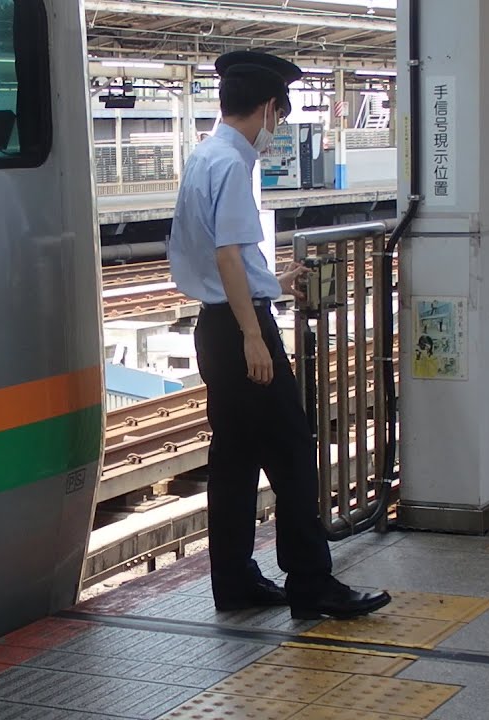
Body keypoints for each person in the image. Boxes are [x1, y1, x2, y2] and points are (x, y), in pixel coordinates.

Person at [168, 51, 391, 620]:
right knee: (293, 451)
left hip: (213, 328)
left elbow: (232, 256)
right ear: (268, 108)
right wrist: (254, 333)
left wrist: (272, 280)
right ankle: (311, 584)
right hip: (239, 329)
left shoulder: (204, 155)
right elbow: (225, 258)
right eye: (281, 118)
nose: (278, 131)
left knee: (235, 458)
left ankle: (235, 580)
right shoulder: (233, 164)